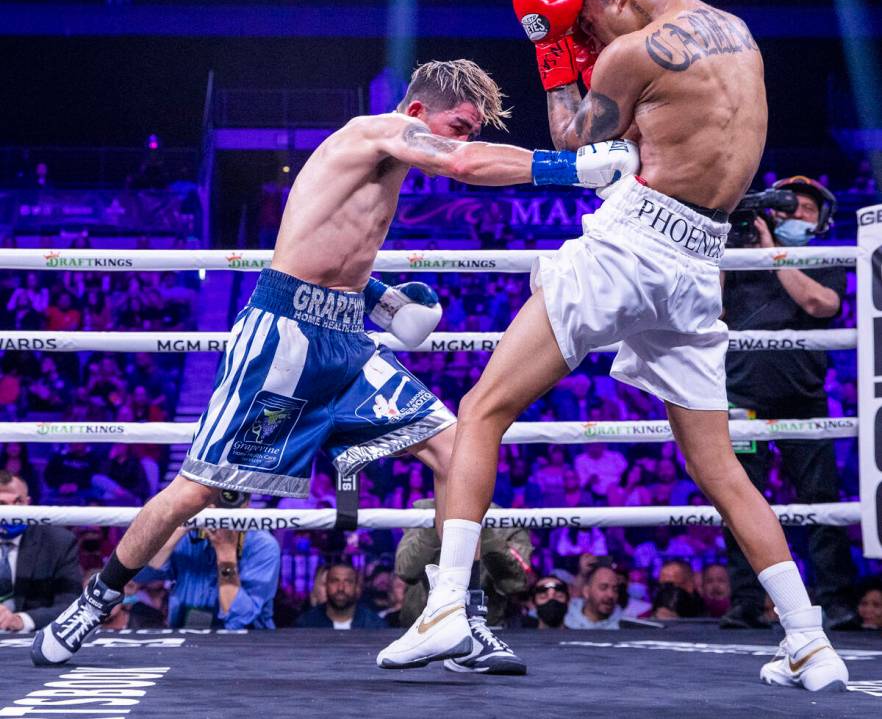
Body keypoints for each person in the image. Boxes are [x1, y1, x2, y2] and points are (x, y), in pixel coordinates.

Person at [34, 58, 635, 670]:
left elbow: (334, 243)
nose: (465, 141)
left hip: (346, 344)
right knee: (199, 490)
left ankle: (461, 618)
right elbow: (456, 163)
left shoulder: (389, 164)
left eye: (473, 131)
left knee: (458, 450)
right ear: (419, 112)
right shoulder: (371, 130)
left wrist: (382, 301)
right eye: (460, 125)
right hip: (284, 342)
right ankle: (93, 601)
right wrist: (571, 167)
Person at [381, 0, 849, 692]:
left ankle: (443, 606)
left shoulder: (631, 52)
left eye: (593, 21)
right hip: (700, 260)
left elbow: (575, 143)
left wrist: (551, 50)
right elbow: (672, 134)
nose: (591, 38)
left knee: (481, 408)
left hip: (635, 244)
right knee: (720, 466)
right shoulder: (740, 35)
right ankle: (809, 640)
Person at [721, 176, 856, 630]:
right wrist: (732, 242)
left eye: (807, 210)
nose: (797, 214)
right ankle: (744, 603)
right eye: (789, 206)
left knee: (821, 502)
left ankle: (837, 602)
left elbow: (821, 305)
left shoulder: (822, 258)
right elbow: (711, 305)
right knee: (738, 500)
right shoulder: (741, 249)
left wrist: (773, 253)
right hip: (741, 398)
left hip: (804, 398)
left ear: (821, 220)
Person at [394, 497, 532, 673]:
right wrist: (440, 520)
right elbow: (406, 570)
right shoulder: (423, 511)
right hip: (421, 629)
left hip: (486, 630)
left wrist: (481, 529)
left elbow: (516, 584)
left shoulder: (506, 519)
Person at [136, 490, 279, 629]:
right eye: (210, 501)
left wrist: (226, 555)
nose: (218, 513)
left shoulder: (263, 545)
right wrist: (175, 529)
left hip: (246, 642)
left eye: (227, 502)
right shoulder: (187, 535)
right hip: (184, 632)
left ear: (247, 504)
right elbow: (140, 576)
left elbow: (240, 618)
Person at [0, 470, 82, 633]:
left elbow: (71, 605)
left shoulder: (57, 542)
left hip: (33, 640)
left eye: (17, 502)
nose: (11, 512)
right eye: (2, 505)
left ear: (28, 503)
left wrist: (21, 620)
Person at [296, 562, 386, 630]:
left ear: (357, 588)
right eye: (334, 581)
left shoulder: (375, 625)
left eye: (348, 582)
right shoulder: (306, 624)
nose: (341, 588)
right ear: (326, 585)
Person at [564, 565, 622, 629]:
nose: (611, 595)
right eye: (603, 587)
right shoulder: (564, 619)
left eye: (615, 590)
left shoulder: (624, 626)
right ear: (586, 591)